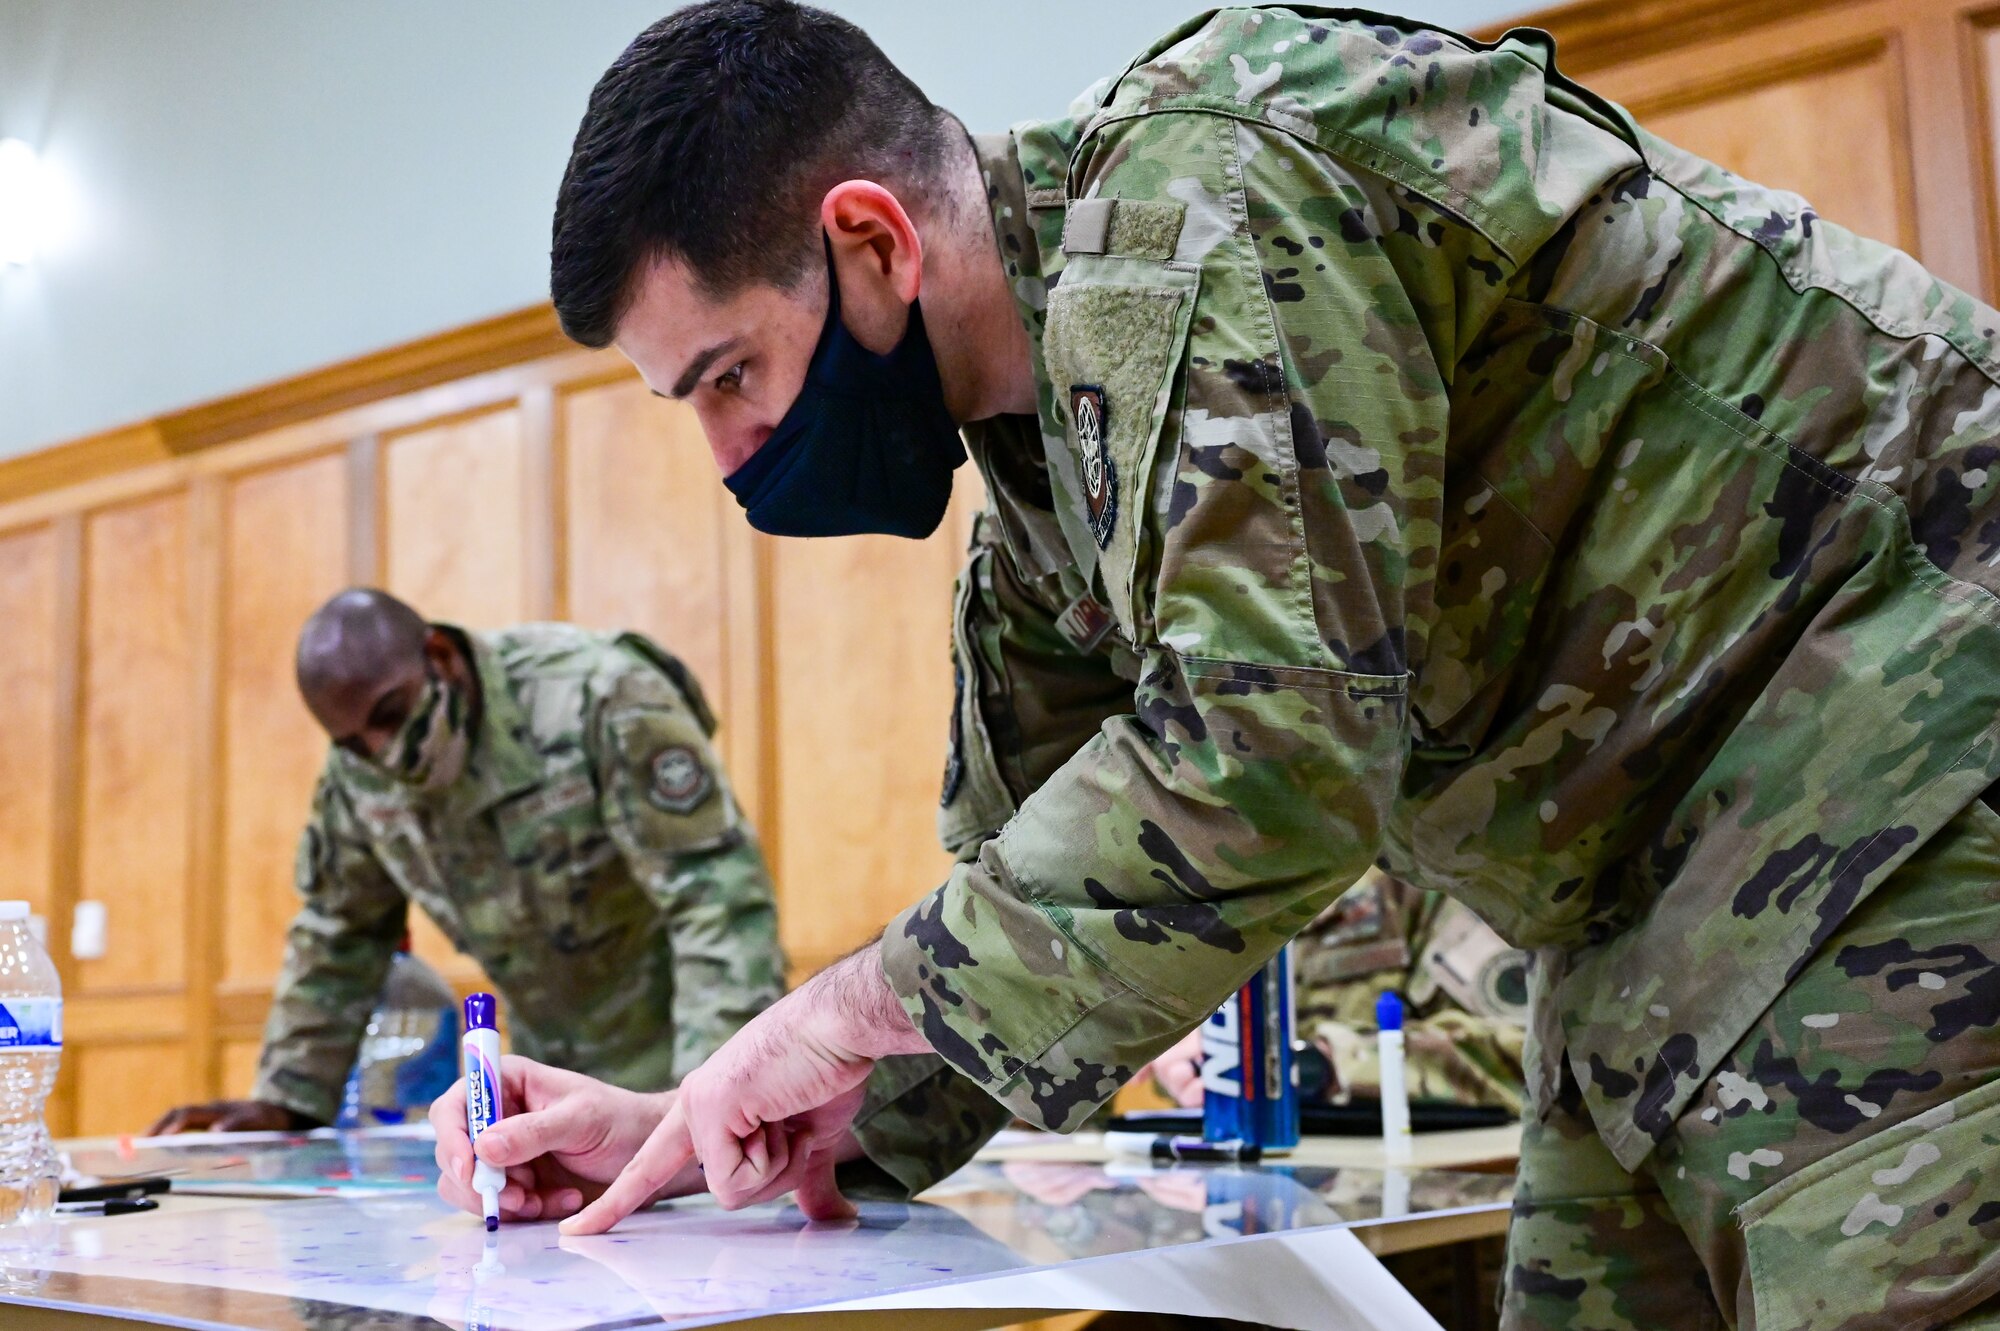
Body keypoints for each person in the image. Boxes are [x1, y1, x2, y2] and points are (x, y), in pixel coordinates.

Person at [432, 5, 2000, 1326]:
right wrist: (711, 1121)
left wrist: (845, 1009)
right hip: (1640, 909)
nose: (730, 454)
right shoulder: (1047, 481)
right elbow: (1023, 901)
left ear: (869, 238)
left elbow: (1269, 763)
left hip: (1900, 739)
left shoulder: (1210, 201)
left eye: (731, 377)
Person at [152, 588, 782, 1134]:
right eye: (352, 742)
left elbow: (715, 900)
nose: (383, 753)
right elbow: (338, 935)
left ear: (441, 657)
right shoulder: (357, 777)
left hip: (691, 1051)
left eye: (391, 715)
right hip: (553, 1079)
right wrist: (288, 1102)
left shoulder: (598, 693)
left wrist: (706, 1100)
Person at [1148, 867, 1528, 1114]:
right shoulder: (1206, 905)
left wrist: (1326, 1064)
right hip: (1268, 1189)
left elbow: (1527, 1052)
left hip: (1429, 1197)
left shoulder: (1420, 881)